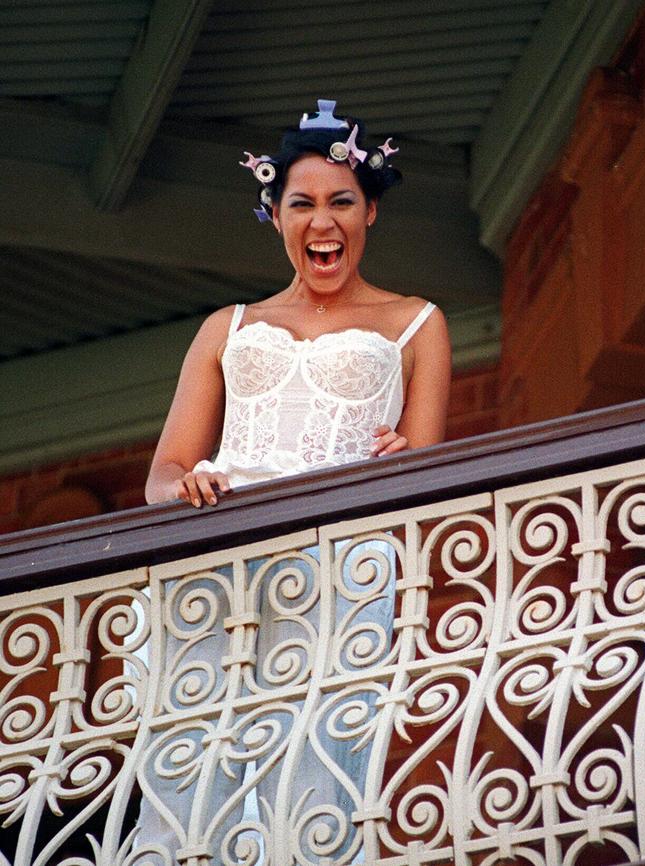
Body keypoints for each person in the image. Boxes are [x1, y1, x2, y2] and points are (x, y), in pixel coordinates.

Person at [136, 99, 451, 865]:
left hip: (340, 568)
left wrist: (401, 459)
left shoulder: (416, 322)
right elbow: (161, 474)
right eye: (302, 204)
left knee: (314, 779)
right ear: (274, 215)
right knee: (194, 771)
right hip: (218, 567)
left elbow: (431, 473)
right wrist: (189, 491)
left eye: (342, 201)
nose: (323, 220)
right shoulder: (228, 326)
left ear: (369, 211)